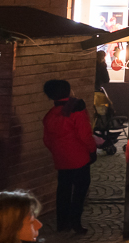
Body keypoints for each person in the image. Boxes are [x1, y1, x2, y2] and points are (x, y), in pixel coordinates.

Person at [42, 79, 98, 235]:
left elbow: (47, 140)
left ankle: (62, 223)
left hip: (61, 160)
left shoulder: (49, 116)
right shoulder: (77, 109)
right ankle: (76, 222)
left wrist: (58, 152)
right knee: (79, 192)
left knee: (63, 191)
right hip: (80, 158)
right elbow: (85, 134)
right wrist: (92, 151)